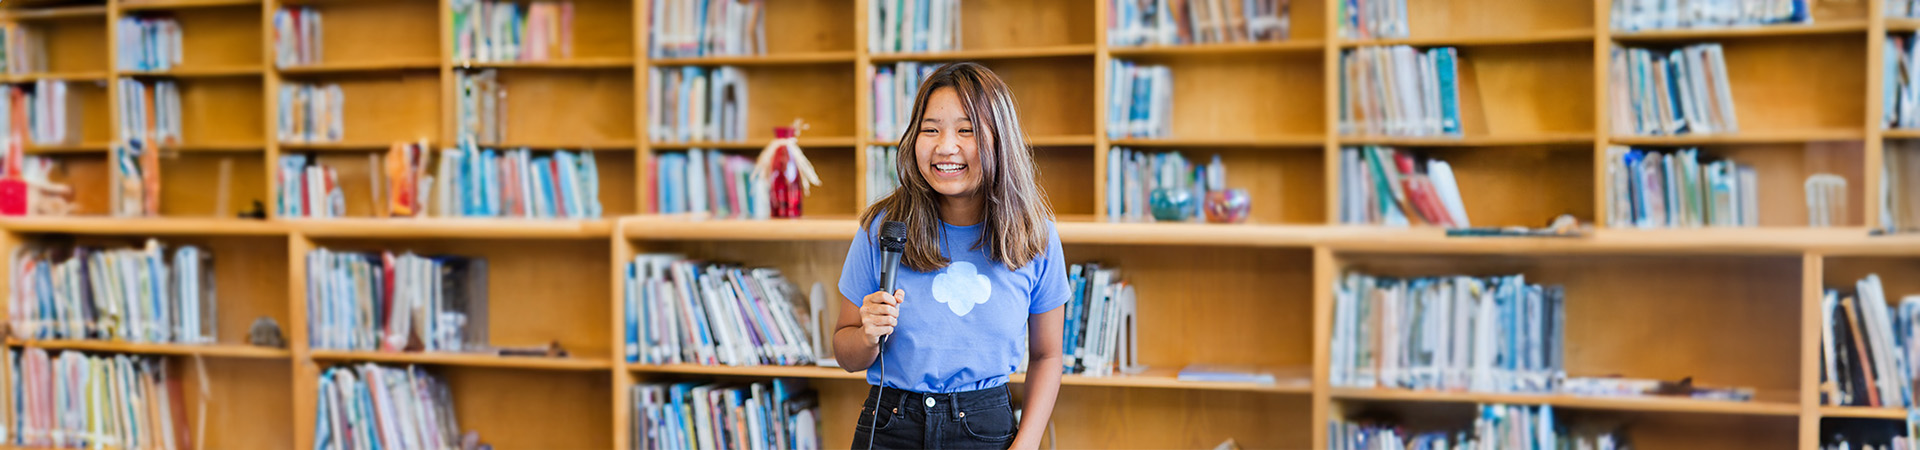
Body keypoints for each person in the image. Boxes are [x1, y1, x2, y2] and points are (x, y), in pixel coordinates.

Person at [835, 61, 1068, 450]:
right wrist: (867, 335)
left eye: (966, 130)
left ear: (1000, 140)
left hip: (986, 426)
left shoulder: (1034, 235)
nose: (945, 146)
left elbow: (1047, 355)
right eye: (930, 129)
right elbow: (846, 353)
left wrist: (1026, 444)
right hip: (890, 425)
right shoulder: (882, 228)